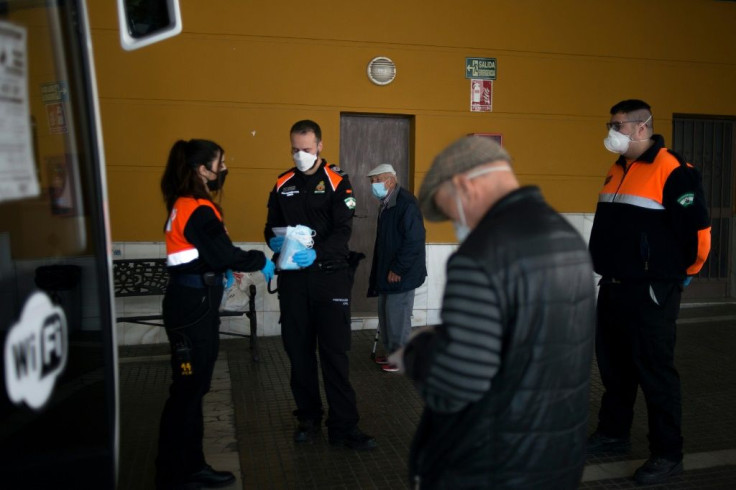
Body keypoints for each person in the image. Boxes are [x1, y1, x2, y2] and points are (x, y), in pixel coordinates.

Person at [389, 136, 596, 489]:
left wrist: (417, 351)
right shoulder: (566, 237)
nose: (458, 225)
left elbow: (457, 383)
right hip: (558, 457)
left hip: (491, 464)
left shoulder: (482, 253)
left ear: (463, 186)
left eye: (451, 212)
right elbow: (528, 333)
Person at [587, 99, 711, 484]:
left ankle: (668, 452)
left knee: (655, 373)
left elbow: (699, 234)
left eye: (618, 125)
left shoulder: (673, 170)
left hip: (651, 290)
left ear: (642, 128)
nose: (612, 132)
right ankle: (613, 432)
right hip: (614, 286)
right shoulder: (617, 168)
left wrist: (681, 275)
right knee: (615, 369)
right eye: (611, 124)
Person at [156, 139, 275, 490]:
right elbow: (225, 254)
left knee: (188, 388)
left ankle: (180, 466)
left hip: (187, 301)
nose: (223, 169)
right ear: (201, 169)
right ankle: (183, 471)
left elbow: (205, 253)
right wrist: (262, 260)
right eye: (219, 163)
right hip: (193, 308)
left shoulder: (183, 202)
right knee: (190, 389)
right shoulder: (199, 208)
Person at [264, 120, 376, 450]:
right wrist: (273, 242)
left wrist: (316, 254)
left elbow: (343, 231)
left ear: (320, 146)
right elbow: (270, 226)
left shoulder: (338, 182)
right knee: (299, 354)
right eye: (295, 149)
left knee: (335, 355)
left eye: (307, 149)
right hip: (294, 282)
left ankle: (343, 426)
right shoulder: (282, 184)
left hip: (329, 278)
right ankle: (308, 418)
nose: (301, 155)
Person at [366, 163, 426, 373]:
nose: (373, 185)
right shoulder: (387, 202)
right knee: (386, 315)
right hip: (387, 271)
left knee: (398, 316)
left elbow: (414, 240)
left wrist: (398, 269)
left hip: (402, 274)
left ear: (390, 181)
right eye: (372, 182)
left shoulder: (406, 203)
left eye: (376, 181)